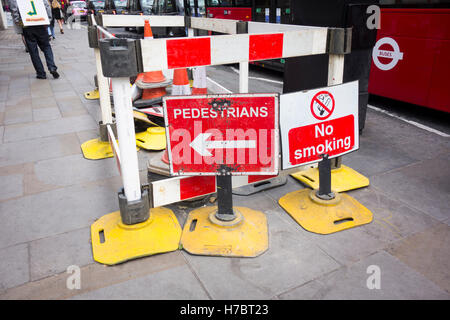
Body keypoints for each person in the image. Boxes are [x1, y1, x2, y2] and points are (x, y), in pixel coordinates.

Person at [8, 0, 59, 79]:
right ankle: (52, 67)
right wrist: (48, 19)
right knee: (46, 47)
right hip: (40, 22)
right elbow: (47, 6)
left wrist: (18, 21)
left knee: (33, 51)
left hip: (27, 24)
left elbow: (14, 8)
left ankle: (41, 73)